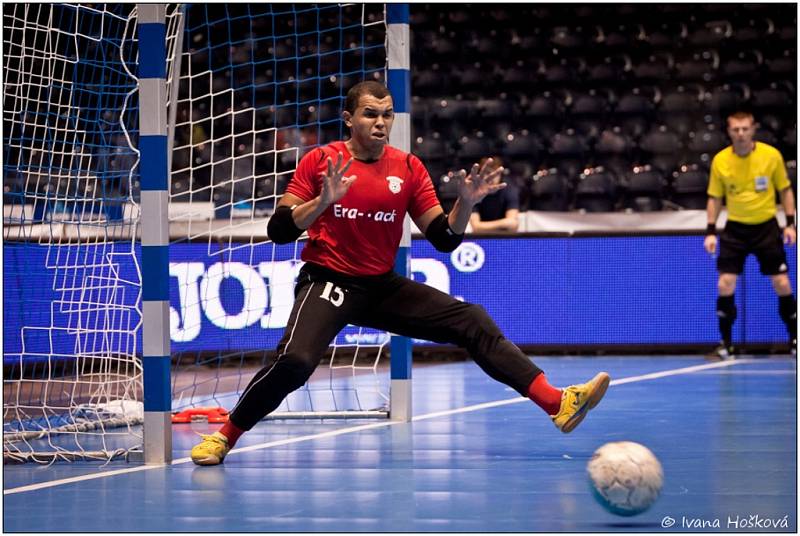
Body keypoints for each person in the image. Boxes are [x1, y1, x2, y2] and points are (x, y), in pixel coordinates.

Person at [191, 81, 610, 465]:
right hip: (329, 280)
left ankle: (557, 402)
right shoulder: (321, 161)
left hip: (380, 284)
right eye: (371, 114)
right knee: (296, 361)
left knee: (472, 320)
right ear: (349, 118)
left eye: (387, 114)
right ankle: (225, 436)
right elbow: (278, 230)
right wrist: (323, 201)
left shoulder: (407, 168)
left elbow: (444, 238)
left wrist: (465, 203)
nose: (380, 122)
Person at [704, 111, 797, 360]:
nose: (741, 134)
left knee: (782, 282)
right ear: (729, 131)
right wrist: (710, 231)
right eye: (736, 130)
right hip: (735, 227)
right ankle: (725, 344)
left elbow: (785, 191)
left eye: (745, 129)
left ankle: (794, 340)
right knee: (725, 283)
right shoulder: (720, 161)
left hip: (766, 226)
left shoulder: (771, 156)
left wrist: (790, 224)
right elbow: (715, 197)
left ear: (753, 129)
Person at [469, 156, 520, 234]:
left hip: (505, 239)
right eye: (488, 173)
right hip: (481, 239)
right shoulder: (474, 193)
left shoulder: (509, 190)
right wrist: (504, 225)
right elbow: (475, 227)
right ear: (481, 174)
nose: (492, 177)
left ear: (500, 175)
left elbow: (513, 224)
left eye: (496, 173)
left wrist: (483, 227)